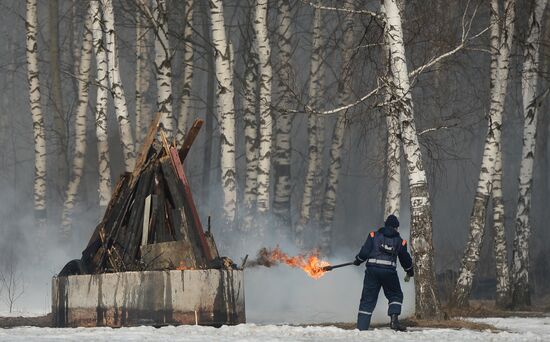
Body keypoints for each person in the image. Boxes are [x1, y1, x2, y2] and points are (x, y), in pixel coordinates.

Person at [353, 214, 414, 331]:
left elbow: (364, 253)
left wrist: (358, 260)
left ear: (385, 225)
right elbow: (405, 260)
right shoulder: (401, 242)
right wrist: (410, 271)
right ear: (396, 227)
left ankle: (361, 328)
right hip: (389, 273)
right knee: (395, 295)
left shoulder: (373, 235)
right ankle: (394, 321)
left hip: (372, 272)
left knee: (367, 299)